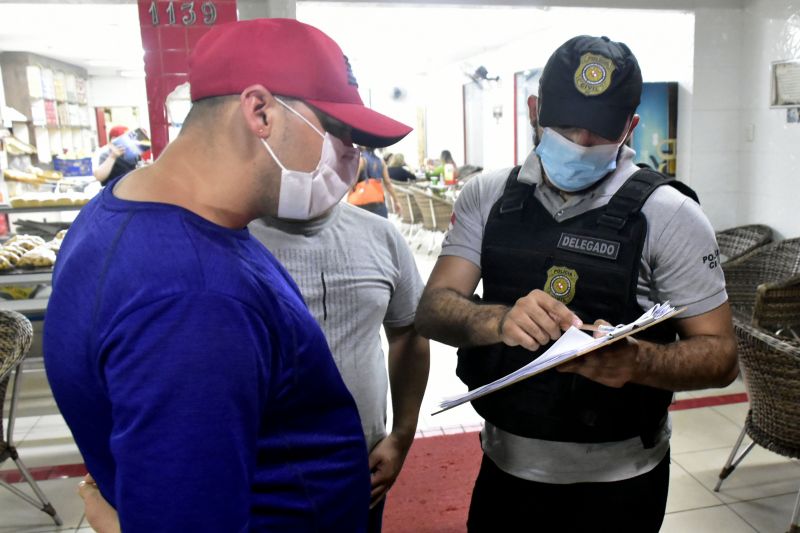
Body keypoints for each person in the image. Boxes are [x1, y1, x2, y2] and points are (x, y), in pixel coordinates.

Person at [43, 18, 411, 532]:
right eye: (340, 134)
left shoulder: (127, 211)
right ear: (259, 111)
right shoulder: (196, 299)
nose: (353, 159)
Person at [414, 35, 738, 532]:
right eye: (565, 127)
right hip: (505, 465)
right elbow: (433, 309)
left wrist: (637, 361)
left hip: (620, 483)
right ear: (533, 110)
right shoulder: (488, 196)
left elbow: (721, 357)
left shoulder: (671, 214)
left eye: (600, 132)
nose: (581, 143)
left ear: (629, 127)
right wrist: (499, 320)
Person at [249, 192, 429, 532]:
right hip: (261, 474)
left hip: (361, 465)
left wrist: (402, 435)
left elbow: (409, 333)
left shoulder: (381, 235)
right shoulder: (234, 237)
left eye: (354, 145)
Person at [348, 145, 402, 218]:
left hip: (362, 204)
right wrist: (396, 201)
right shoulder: (381, 161)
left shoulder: (361, 160)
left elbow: (352, 183)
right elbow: (388, 183)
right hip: (378, 202)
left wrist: (348, 198)